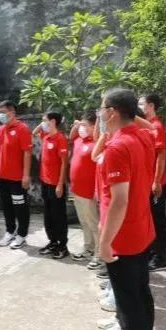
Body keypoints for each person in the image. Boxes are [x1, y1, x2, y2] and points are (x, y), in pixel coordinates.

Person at [98, 88, 156, 330]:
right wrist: (129, 113)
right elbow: (141, 123)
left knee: (128, 306)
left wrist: (104, 242)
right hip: (141, 230)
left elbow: (119, 201)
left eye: (102, 109)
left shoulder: (117, 148)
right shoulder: (143, 137)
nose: (99, 114)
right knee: (141, 297)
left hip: (124, 239)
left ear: (111, 112)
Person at [0, 100, 32, 249]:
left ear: (12, 112)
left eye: (3, 112)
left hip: (17, 178)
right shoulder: (1, 129)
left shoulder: (22, 128)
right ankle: (10, 231)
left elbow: (27, 153)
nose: (1, 115)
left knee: (20, 207)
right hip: (3, 176)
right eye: (0, 112)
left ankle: (22, 235)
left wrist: (26, 175)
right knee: (7, 207)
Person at [138, 93, 166, 272]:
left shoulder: (156, 126)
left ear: (150, 106)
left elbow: (161, 156)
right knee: (147, 219)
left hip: (155, 183)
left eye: (141, 103)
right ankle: (150, 252)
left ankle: (160, 258)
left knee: (158, 220)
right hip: (144, 182)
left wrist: (156, 181)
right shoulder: (143, 126)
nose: (139, 106)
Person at [33, 111, 70, 259]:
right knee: (48, 215)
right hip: (45, 182)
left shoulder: (60, 139)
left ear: (53, 121)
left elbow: (64, 163)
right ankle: (53, 241)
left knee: (58, 215)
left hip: (56, 184)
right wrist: (43, 124)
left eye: (45, 120)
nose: (42, 123)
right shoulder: (46, 136)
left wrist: (60, 184)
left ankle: (62, 246)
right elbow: (34, 132)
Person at [68, 112, 99, 264]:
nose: (81, 128)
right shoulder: (79, 140)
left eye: (85, 125)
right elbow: (71, 136)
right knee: (84, 222)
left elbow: (100, 171)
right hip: (77, 190)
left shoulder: (97, 144)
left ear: (94, 127)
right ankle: (89, 248)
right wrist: (77, 125)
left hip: (88, 192)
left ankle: (99, 255)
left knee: (93, 223)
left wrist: (97, 190)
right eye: (81, 125)